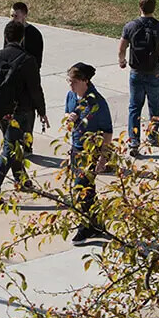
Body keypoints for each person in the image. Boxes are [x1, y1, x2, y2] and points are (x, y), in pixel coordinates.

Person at [0, 21, 48, 209]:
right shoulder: (28, 60)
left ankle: (22, 180)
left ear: (5, 36)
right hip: (19, 112)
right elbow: (36, 90)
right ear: (22, 38)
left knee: (13, 144)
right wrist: (42, 112)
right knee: (10, 149)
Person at [119, 0, 159, 156]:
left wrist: (121, 60)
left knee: (135, 107)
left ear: (139, 7)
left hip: (136, 73)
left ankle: (134, 141)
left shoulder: (130, 26)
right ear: (154, 8)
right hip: (154, 74)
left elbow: (122, 48)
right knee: (154, 107)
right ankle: (153, 136)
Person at [64, 62, 113, 245]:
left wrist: (102, 158)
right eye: (68, 81)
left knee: (81, 189)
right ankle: (97, 224)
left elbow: (107, 131)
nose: (70, 85)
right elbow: (68, 118)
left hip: (90, 152)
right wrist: (69, 118)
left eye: (73, 81)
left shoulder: (97, 102)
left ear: (84, 81)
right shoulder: (71, 95)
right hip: (76, 149)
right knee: (87, 190)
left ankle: (86, 227)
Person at [8, 1, 44, 154]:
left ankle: (27, 144)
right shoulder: (9, 30)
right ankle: (13, 141)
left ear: (25, 15)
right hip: (13, 79)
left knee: (29, 113)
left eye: (16, 16)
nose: (13, 19)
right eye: (11, 16)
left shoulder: (34, 34)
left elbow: (37, 61)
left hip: (29, 78)